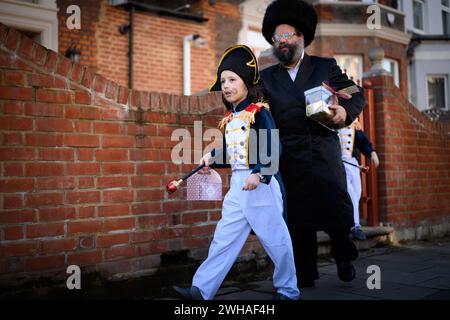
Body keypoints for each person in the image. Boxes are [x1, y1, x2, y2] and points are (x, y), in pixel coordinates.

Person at [173, 45, 300, 300]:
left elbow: (273, 146)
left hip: (262, 185)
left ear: (246, 82)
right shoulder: (231, 118)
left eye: (232, 79)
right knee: (223, 238)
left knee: (276, 240)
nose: (227, 85)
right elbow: (234, 153)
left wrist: (260, 173)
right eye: (223, 81)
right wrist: (213, 158)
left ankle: (288, 290)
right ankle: (201, 289)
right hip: (238, 186)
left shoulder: (259, 112)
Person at [260, 0, 366, 288]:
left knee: (337, 210)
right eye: (276, 37)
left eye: (287, 36)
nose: (281, 42)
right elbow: (255, 113)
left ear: (302, 37)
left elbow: (356, 94)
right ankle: (305, 273)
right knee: (297, 219)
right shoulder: (266, 77)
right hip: (289, 155)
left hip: (323, 149)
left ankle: (343, 253)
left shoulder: (325, 66)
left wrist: (345, 112)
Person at [338, 119, 380, 240]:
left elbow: (363, 142)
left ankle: (349, 222)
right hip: (339, 163)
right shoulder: (332, 123)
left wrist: (371, 152)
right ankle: (355, 226)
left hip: (353, 164)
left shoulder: (354, 125)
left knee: (357, 193)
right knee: (350, 194)